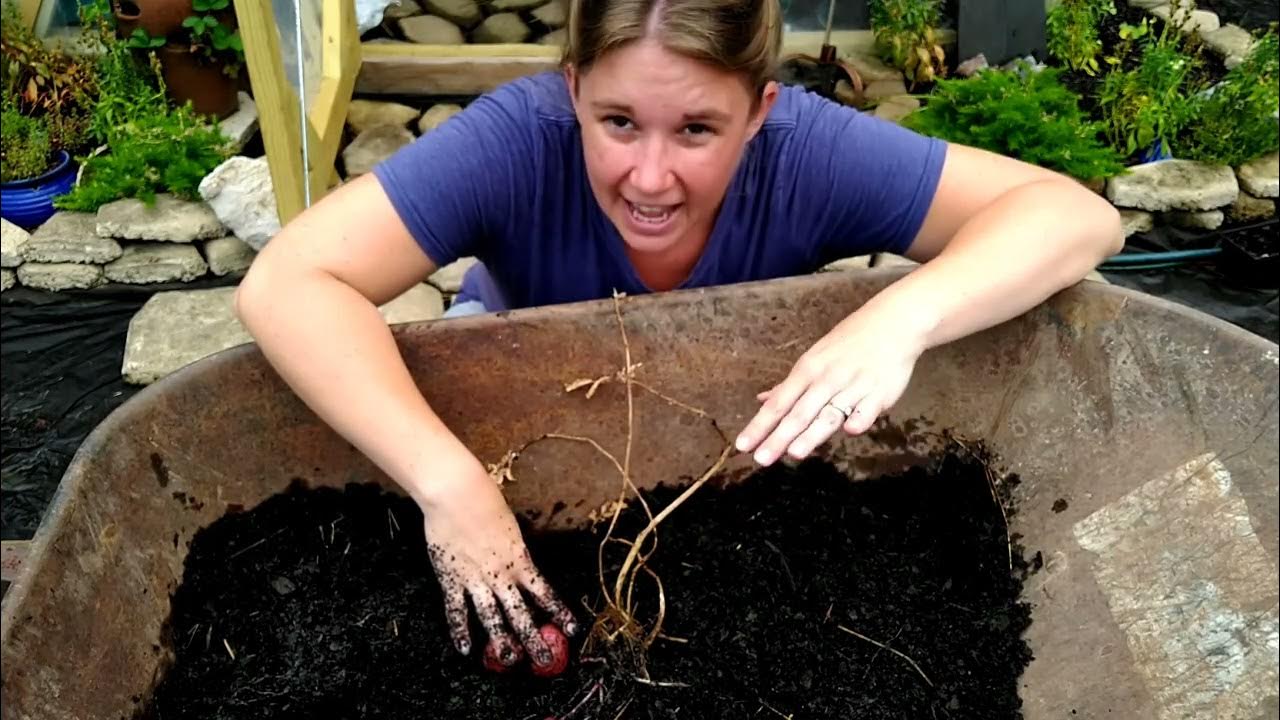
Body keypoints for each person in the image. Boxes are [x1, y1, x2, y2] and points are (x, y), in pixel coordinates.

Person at [234, 0, 1122, 672]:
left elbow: (1074, 218)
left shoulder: (806, 156)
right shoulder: (519, 141)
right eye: (617, 122)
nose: (648, 178)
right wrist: (449, 481)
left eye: (698, 130)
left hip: (725, 430)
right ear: (574, 89)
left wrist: (900, 313)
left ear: (761, 108)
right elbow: (288, 282)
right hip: (519, 389)